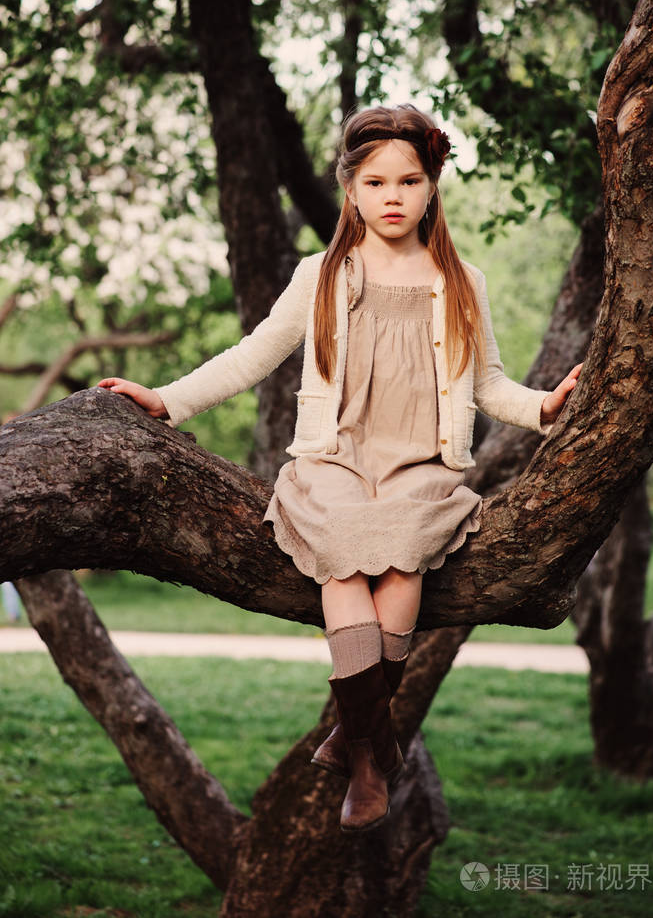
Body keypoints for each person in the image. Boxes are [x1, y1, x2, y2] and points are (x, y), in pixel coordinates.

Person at [98, 105, 581, 834]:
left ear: (430, 185)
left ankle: (355, 738)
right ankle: (371, 751)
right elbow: (254, 354)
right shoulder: (320, 275)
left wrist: (545, 405)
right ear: (351, 189)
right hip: (334, 460)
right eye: (376, 180)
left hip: (419, 464)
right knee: (346, 565)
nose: (393, 195)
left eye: (409, 180)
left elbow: (487, 384)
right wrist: (165, 399)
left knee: (405, 568)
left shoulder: (459, 281)